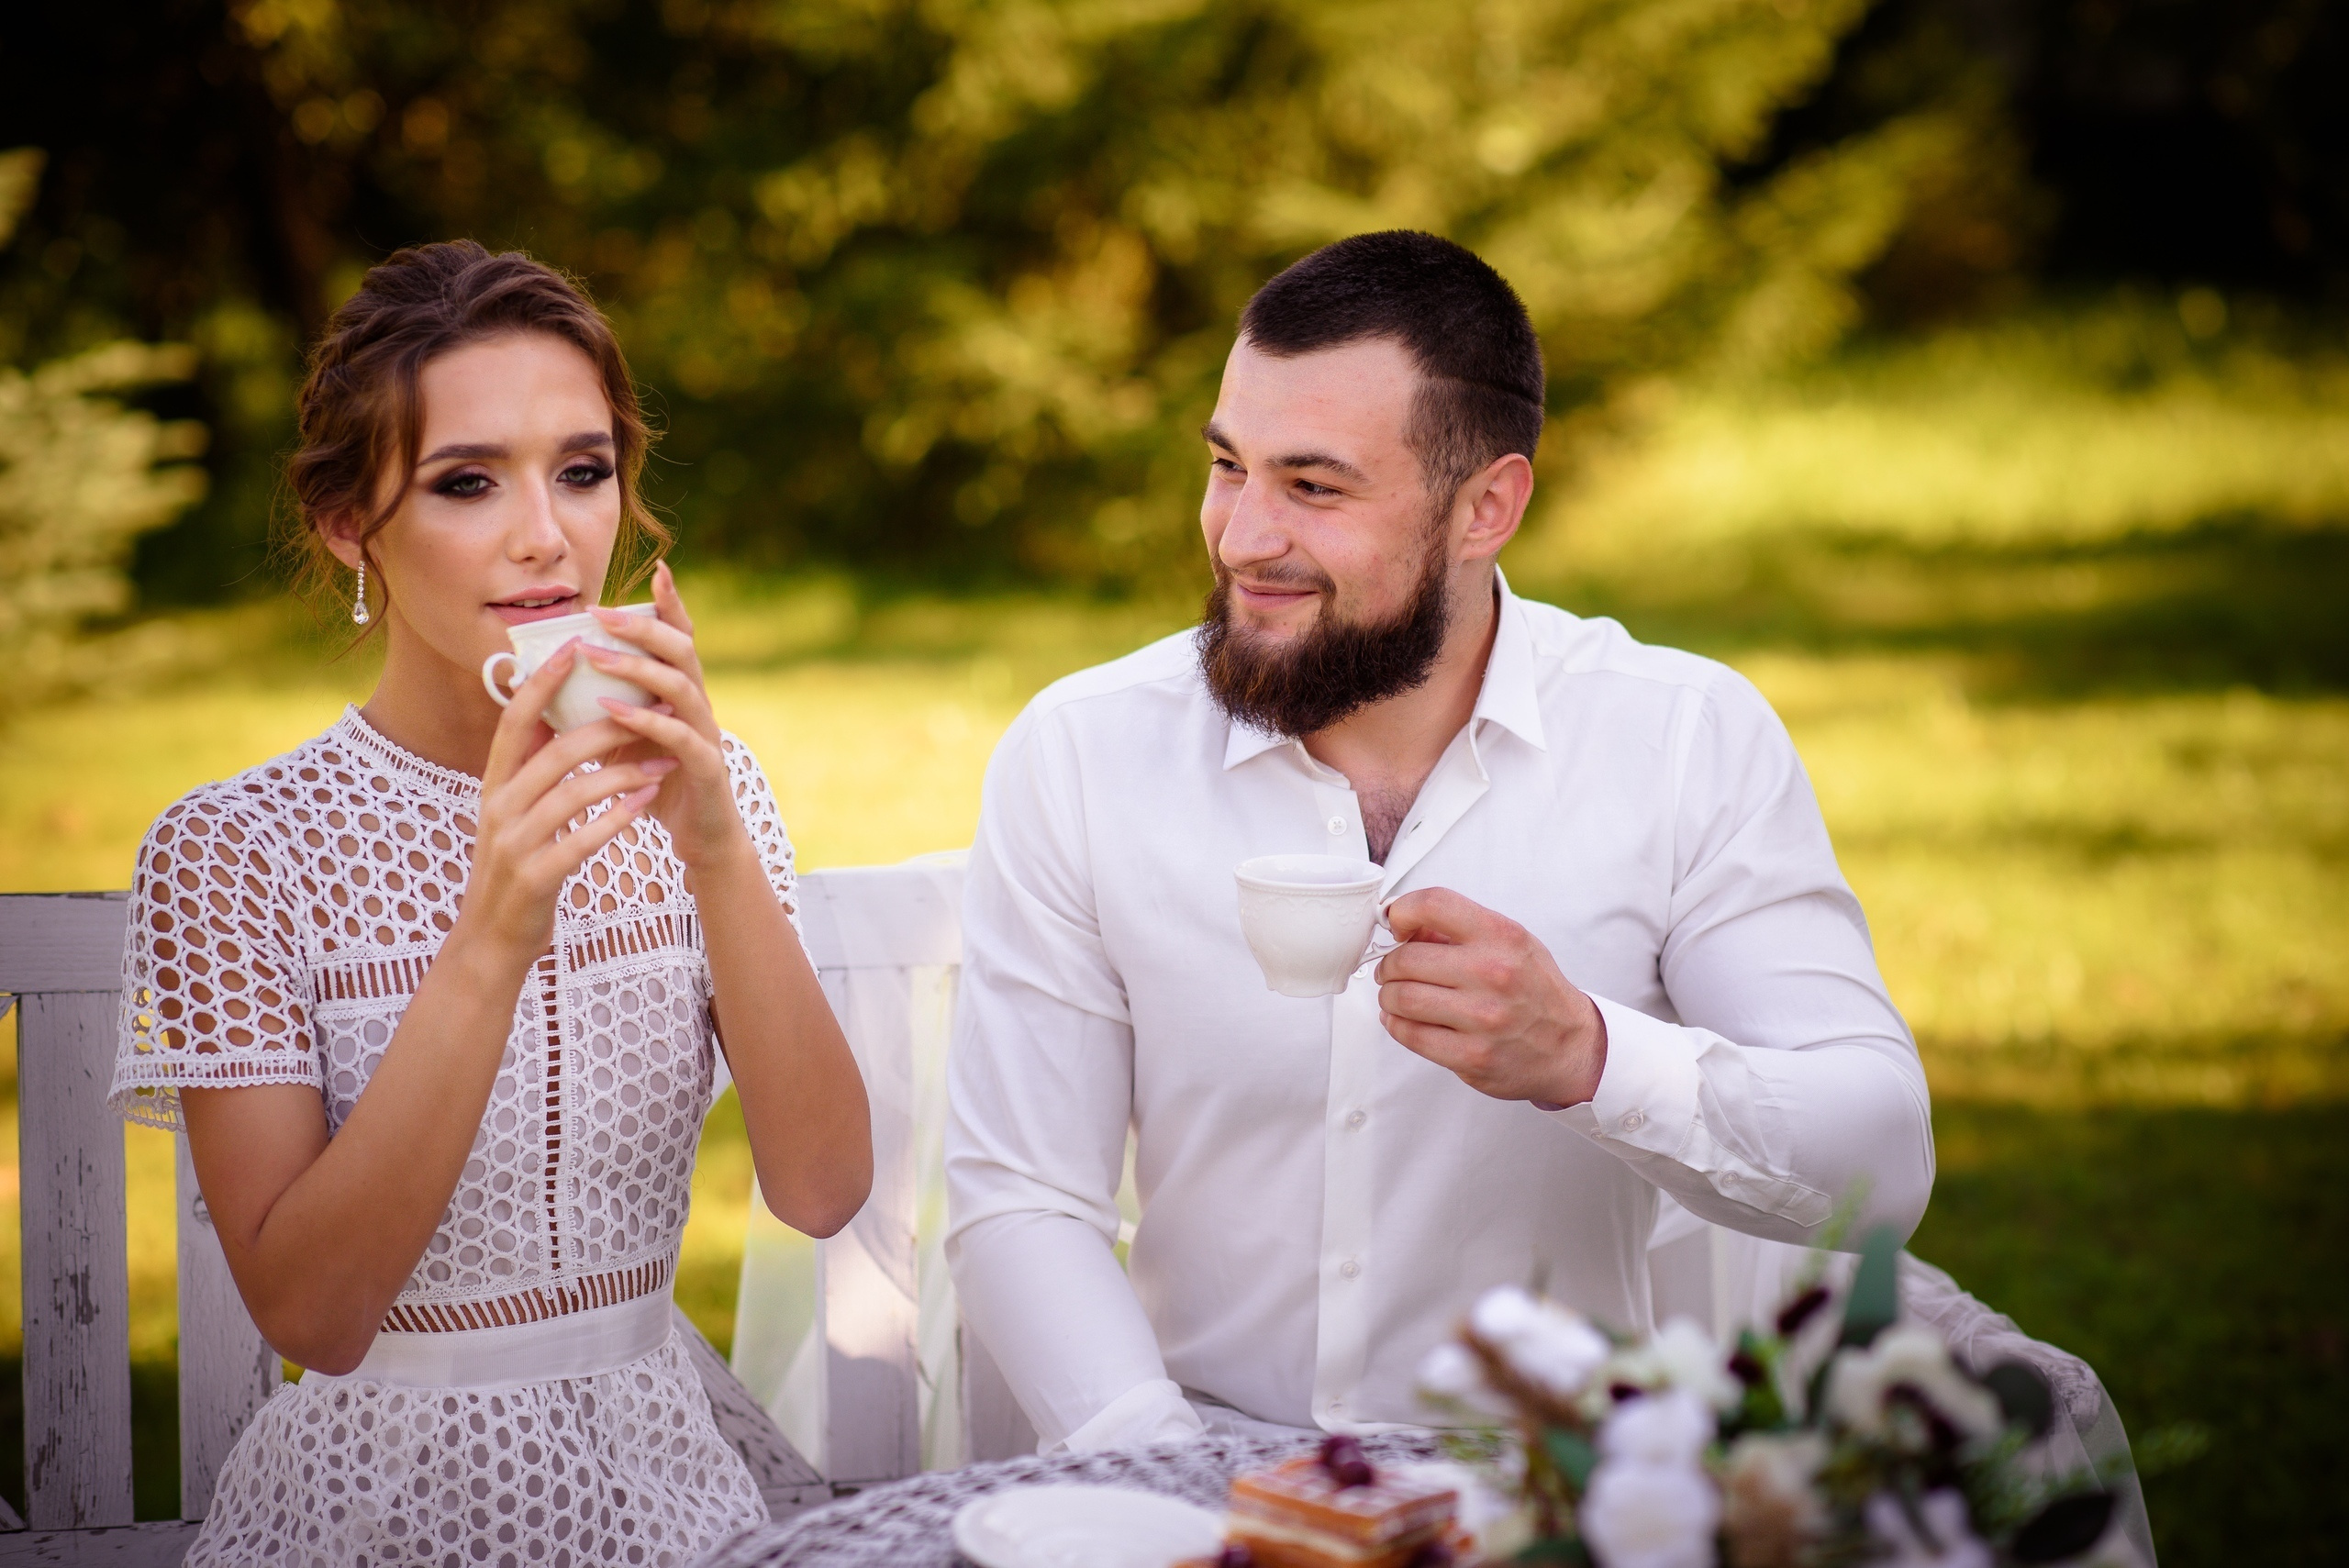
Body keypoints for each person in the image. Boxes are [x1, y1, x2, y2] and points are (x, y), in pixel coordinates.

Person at [944, 230, 1935, 1453]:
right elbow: (1020, 1198)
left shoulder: (1683, 738)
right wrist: (1178, 1480)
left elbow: (1881, 1162)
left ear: (1488, 506)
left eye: (1312, 487)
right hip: (1189, 1456)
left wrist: (1589, 1054)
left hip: (1563, 1491)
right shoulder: (1082, 753)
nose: (1243, 535)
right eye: (1226, 465)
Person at [109, 240, 871, 1566]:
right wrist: (494, 929)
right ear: (352, 525)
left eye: (584, 469)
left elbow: (819, 1186)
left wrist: (716, 850)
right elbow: (316, 1315)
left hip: (670, 1491)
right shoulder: (232, 851)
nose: (550, 534)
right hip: (373, 1510)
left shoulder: (713, 787)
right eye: (468, 481)